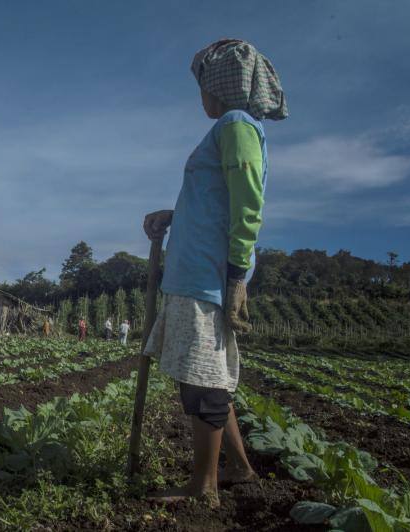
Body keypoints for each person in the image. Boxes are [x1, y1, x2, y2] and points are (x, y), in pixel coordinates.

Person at [142, 39, 287, 507]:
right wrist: (173, 215)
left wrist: (238, 272)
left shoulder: (235, 124)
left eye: (203, 86)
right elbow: (217, 202)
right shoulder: (234, 128)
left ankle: (203, 489)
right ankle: (239, 468)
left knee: (201, 386)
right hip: (200, 272)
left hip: (204, 277)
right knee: (210, 377)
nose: (200, 97)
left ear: (220, 87)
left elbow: (248, 205)